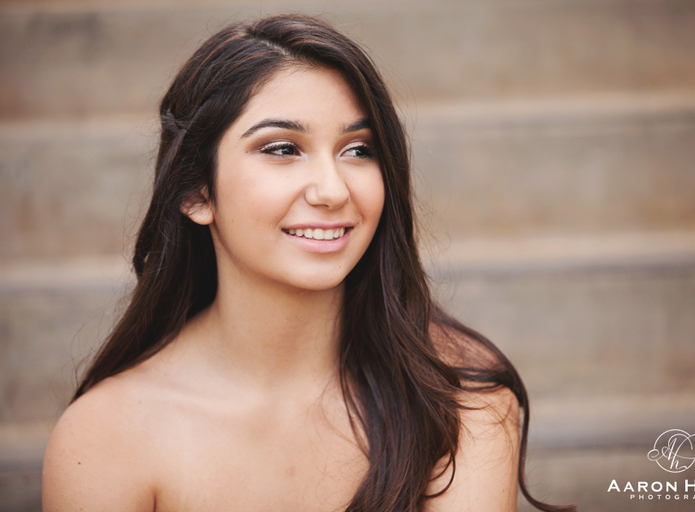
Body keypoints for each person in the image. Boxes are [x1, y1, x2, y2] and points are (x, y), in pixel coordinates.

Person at [42, 14, 576, 512]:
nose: (331, 190)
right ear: (196, 192)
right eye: (281, 149)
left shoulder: (459, 397)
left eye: (358, 150)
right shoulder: (107, 437)